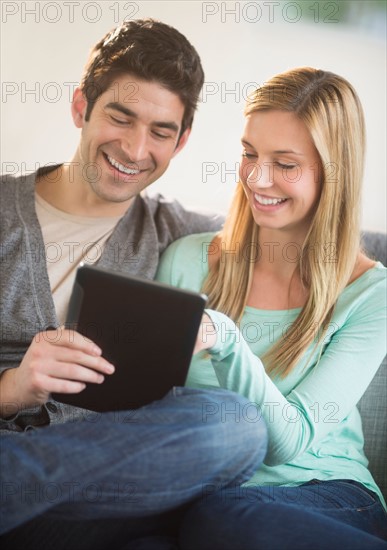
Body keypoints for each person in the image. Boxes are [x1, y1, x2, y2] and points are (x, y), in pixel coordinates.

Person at [0, 19, 268, 548]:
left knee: (234, 424)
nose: (135, 148)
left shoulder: (180, 233)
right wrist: (12, 388)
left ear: (182, 139)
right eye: (120, 117)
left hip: (102, 500)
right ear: (81, 107)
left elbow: (303, 229)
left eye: (161, 132)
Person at [156, 67, 387, 548]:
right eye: (249, 154)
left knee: (224, 518)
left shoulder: (370, 294)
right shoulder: (187, 260)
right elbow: (150, 406)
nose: (258, 179)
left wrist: (223, 338)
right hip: (202, 496)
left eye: (285, 163)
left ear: (334, 170)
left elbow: (288, 444)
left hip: (325, 497)